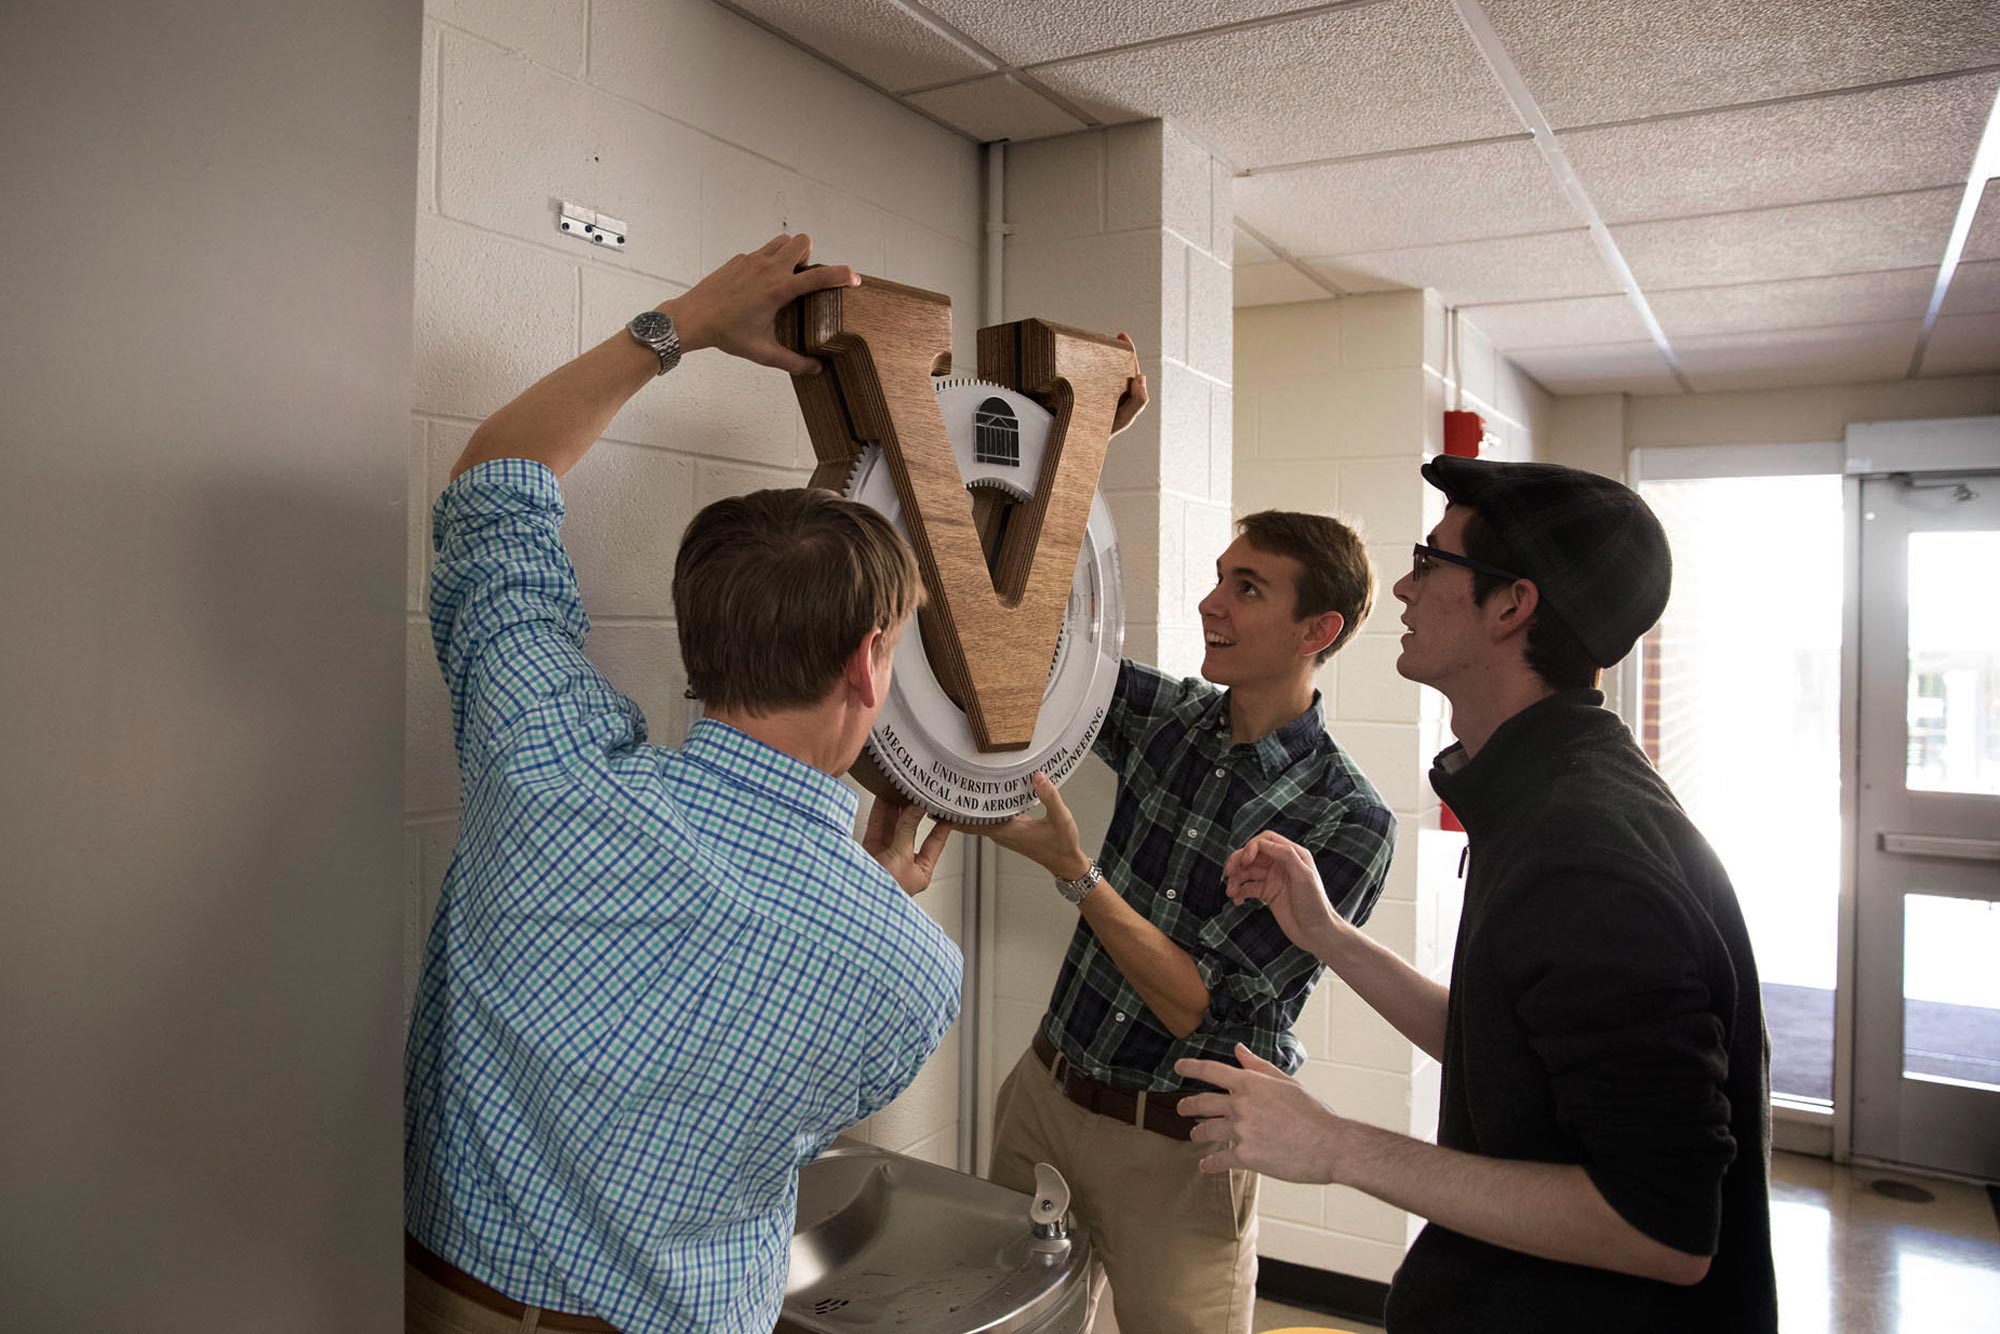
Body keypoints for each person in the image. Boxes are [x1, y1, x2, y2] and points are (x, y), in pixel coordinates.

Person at [403, 235, 966, 1334]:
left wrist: (687, 323)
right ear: (865, 660)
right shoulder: (909, 968)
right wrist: (866, 902)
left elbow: (492, 484)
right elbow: (759, 1101)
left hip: (433, 1298)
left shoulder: (544, 768)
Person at [1176, 457, 1778, 1332]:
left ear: (1511, 605)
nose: (1409, 589)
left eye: (1432, 561)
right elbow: (1513, 1052)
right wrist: (1331, 938)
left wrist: (1337, 1145)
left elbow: (1665, 1228)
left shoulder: (1586, 853)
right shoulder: (1550, 792)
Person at [969, 510, 1396, 1334]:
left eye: (1247, 588)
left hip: (1175, 1153)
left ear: (1319, 629)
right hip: (1044, 1103)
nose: (1211, 603)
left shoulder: (1347, 819)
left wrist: (1075, 872)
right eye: (1218, 577)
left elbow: (1195, 1006)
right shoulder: (1174, 719)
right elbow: (1033, 648)